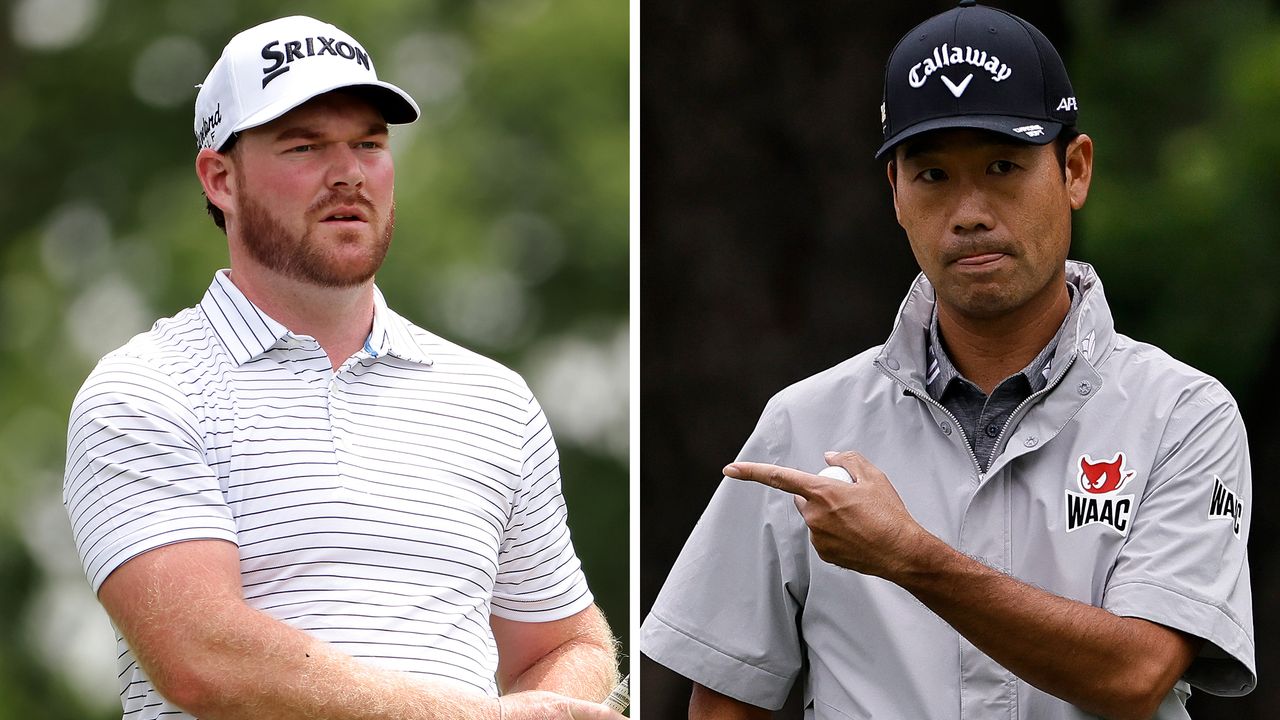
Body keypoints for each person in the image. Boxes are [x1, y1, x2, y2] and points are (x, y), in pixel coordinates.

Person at [640, 2, 1254, 718]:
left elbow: (1137, 673)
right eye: (932, 175)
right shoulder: (802, 424)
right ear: (895, 195)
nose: (969, 212)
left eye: (1003, 167)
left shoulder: (1181, 413)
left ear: (1075, 170)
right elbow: (725, 700)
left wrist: (908, 556)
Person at [63, 16, 624, 720]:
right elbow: (203, 660)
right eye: (305, 146)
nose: (349, 173)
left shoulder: (494, 401)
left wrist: (554, 707)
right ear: (220, 179)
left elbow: (564, 643)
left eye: (369, 144)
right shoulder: (146, 392)